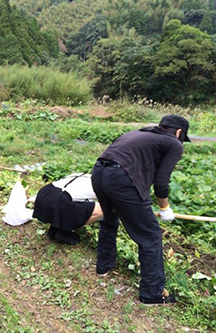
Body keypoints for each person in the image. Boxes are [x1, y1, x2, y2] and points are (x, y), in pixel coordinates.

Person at [91, 114, 190, 305]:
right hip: (121, 179)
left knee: (110, 219)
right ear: (178, 132)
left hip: (99, 173)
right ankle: (152, 294)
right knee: (150, 235)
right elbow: (162, 182)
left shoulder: (138, 133)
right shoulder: (174, 143)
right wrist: (165, 207)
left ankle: (103, 267)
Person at [31, 173, 103, 245]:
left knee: (71, 202)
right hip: (58, 200)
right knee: (102, 209)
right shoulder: (102, 187)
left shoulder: (82, 175)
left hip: (44, 193)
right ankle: (66, 231)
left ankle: (55, 228)